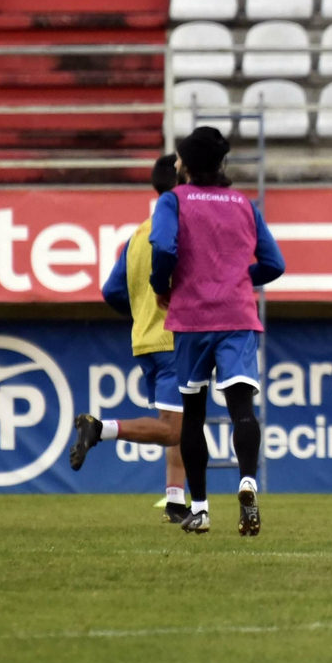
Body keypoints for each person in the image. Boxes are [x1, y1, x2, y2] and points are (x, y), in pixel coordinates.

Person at [150, 127, 286, 536]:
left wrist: (162, 286)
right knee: (241, 408)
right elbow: (274, 263)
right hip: (237, 316)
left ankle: (202, 508)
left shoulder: (173, 200)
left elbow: (163, 247)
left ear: (186, 165)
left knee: (193, 414)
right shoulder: (244, 204)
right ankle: (247, 483)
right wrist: (242, 276)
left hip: (191, 318)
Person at [71, 155, 191, 524]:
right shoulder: (181, 228)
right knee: (173, 428)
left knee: (178, 422)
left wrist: (140, 313)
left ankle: (174, 499)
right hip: (174, 339)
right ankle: (101, 429)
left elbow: (110, 290)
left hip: (145, 341)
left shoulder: (139, 234)